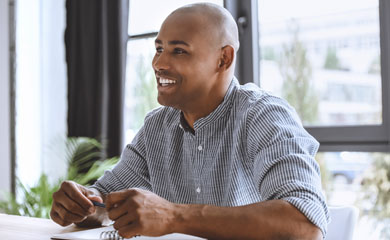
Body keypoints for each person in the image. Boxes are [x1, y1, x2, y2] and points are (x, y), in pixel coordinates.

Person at [51, 3, 329, 239]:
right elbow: (105, 201)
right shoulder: (156, 127)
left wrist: (175, 216)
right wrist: (82, 205)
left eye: (179, 51)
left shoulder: (263, 115)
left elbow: (305, 224)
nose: (159, 63)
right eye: (158, 49)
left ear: (223, 58)